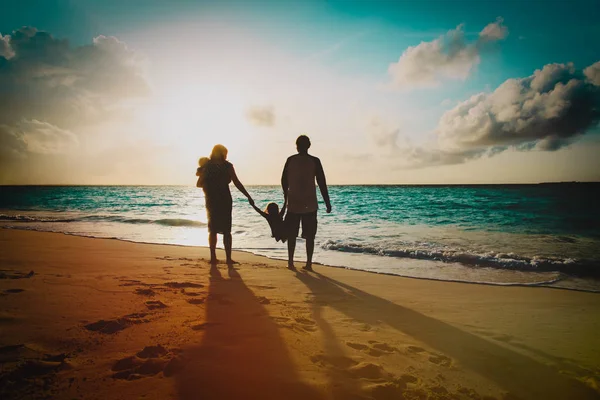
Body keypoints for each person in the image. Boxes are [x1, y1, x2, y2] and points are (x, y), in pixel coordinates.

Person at [281, 135, 331, 271]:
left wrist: (285, 198)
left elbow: (283, 180)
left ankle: (290, 262)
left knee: (292, 234)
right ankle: (308, 263)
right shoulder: (314, 161)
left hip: (293, 202)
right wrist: (327, 202)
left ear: (297, 146)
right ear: (309, 146)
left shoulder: (290, 160)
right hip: (310, 203)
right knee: (310, 235)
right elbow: (322, 182)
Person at [201, 144, 253, 265]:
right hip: (222, 199)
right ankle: (227, 258)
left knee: (214, 230)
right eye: (225, 153)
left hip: (213, 199)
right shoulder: (226, 166)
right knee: (225, 230)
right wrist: (248, 196)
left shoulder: (208, 166)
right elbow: (236, 181)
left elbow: (201, 183)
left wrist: (247, 195)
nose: (226, 155)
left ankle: (214, 257)